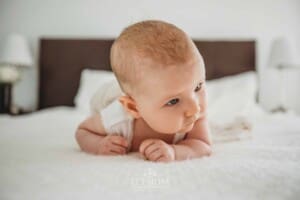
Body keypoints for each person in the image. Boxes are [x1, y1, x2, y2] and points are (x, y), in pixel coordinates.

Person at [75, 20, 212, 162]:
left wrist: (174, 151)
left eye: (197, 87)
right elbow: (83, 131)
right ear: (133, 107)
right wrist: (98, 145)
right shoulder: (117, 119)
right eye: (173, 101)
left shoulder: (195, 115)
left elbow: (202, 145)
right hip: (107, 97)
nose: (194, 108)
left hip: (142, 95)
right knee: (116, 91)